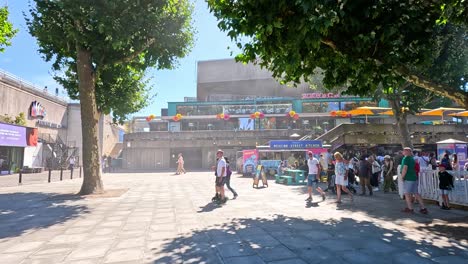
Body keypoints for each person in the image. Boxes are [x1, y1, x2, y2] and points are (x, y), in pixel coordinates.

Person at [401, 147, 428, 214]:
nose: (403, 152)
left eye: (404, 151)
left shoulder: (406, 158)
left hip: (408, 178)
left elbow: (405, 168)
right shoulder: (412, 159)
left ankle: (410, 208)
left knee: (407, 193)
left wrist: (402, 177)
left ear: (407, 152)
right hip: (414, 177)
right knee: (416, 193)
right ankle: (423, 208)